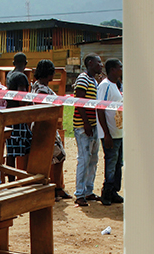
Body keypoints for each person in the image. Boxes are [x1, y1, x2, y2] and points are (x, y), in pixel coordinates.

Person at [31, 60, 71, 200]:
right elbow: (43, 107)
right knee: (57, 156)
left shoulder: (39, 86)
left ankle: (56, 187)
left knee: (56, 157)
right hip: (45, 127)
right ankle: (54, 188)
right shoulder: (41, 88)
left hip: (48, 127)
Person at [73, 54, 102, 206]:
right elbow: (79, 102)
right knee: (84, 159)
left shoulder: (94, 81)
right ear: (90, 63)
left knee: (93, 159)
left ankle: (88, 190)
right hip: (83, 126)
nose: (101, 65)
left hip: (93, 125)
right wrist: (86, 123)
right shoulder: (83, 78)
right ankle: (79, 193)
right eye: (98, 62)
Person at [97, 58, 124, 205]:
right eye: (120, 67)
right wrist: (106, 133)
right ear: (113, 69)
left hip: (119, 133)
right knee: (111, 162)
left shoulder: (117, 85)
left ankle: (114, 191)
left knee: (118, 163)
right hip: (110, 134)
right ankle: (106, 192)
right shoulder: (105, 86)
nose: (122, 69)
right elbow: (100, 109)